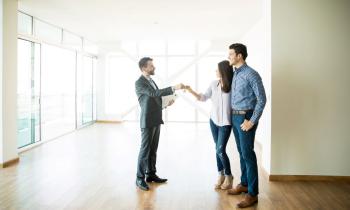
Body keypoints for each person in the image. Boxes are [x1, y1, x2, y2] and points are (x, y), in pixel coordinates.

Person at [135, 57, 185, 191]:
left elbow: (153, 99)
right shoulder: (139, 83)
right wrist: (174, 88)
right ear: (144, 68)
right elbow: (153, 93)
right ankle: (139, 178)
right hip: (147, 121)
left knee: (153, 150)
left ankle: (150, 174)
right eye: (151, 66)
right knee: (145, 150)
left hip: (156, 118)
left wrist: (164, 104)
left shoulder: (151, 81)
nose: (154, 67)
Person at [227, 43, 266, 208]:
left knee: (248, 154)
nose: (228, 57)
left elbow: (262, 99)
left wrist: (252, 121)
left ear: (239, 55)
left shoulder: (251, 74)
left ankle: (252, 193)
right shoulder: (235, 73)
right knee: (242, 153)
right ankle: (243, 183)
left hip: (245, 118)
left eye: (230, 54)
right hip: (235, 117)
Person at [185, 60, 234, 190]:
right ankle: (220, 175)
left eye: (217, 69)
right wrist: (190, 90)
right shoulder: (214, 84)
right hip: (213, 121)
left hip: (226, 123)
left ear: (223, 71)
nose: (215, 71)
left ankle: (229, 176)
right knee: (217, 148)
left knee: (220, 150)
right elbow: (203, 97)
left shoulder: (233, 85)